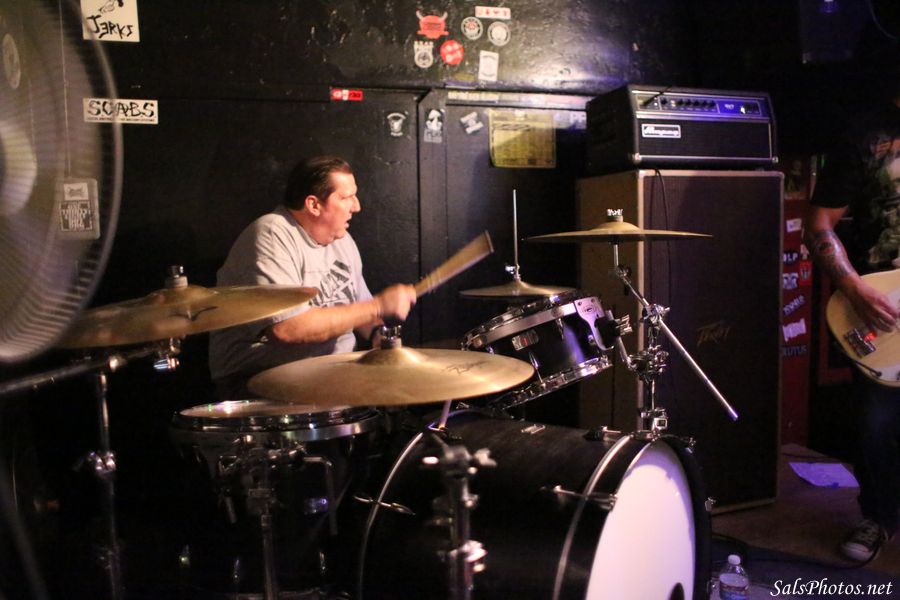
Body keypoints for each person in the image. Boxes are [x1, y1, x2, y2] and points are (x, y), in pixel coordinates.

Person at [208, 155, 417, 399]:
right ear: (314, 205)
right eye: (346, 197)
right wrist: (378, 306)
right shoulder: (272, 235)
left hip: (331, 376)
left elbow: (358, 310)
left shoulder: (342, 241)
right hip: (260, 383)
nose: (356, 206)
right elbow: (288, 329)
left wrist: (378, 335)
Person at [803, 51, 900, 562]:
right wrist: (854, 288)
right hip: (883, 309)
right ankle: (879, 517)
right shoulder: (865, 138)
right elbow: (819, 225)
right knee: (877, 424)